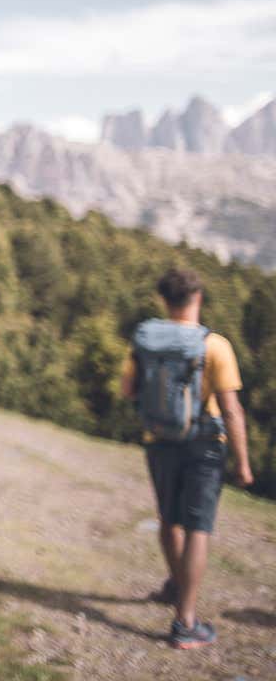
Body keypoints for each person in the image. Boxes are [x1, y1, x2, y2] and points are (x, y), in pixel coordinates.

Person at [120, 268, 253, 649]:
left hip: (159, 439)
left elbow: (128, 390)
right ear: (198, 298)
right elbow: (231, 410)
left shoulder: (145, 341)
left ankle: (177, 586)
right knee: (198, 526)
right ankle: (185, 623)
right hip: (204, 444)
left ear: (164, 300)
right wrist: (243, 463)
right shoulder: (215, 345)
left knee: (169, 519)